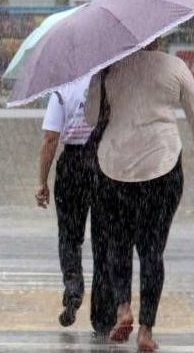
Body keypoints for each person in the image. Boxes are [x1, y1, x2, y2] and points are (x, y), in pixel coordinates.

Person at [84, 38, 194, 352]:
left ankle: (123, 308)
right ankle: (146, 330)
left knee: (118, 241)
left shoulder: (109, 68)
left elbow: (91, 117)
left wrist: (105, 81)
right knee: (152, 249)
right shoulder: (174, 66)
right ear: (159, 36)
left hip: (115, 165)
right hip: (161, 165)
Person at [35, 75, 114, 335]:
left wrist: (42, 181)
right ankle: (103, 315)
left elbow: (50, 139)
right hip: (103, 163)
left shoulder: (62, 90)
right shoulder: (108, 82)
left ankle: (73, 289)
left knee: (70, 236)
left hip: (71, 166)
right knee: (104, 239)